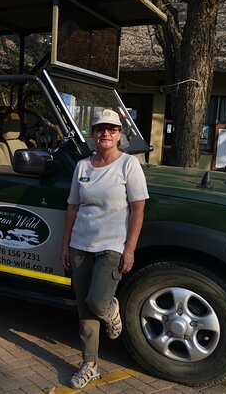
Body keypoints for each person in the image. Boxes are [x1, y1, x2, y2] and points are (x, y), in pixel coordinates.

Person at [60, 108, 148, 389]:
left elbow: (138, 209)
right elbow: (72, 208)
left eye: (111, 129)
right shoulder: (82, 166)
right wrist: (65, 246)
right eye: (100, 129)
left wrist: (130, 249)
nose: (106, 134)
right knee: (84, 309)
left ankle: (111, 311)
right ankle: (90, 364)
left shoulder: (128, 165)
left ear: (119, 134)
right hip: (80, 245)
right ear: (93, 134)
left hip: (112, 246)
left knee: (97, 302)